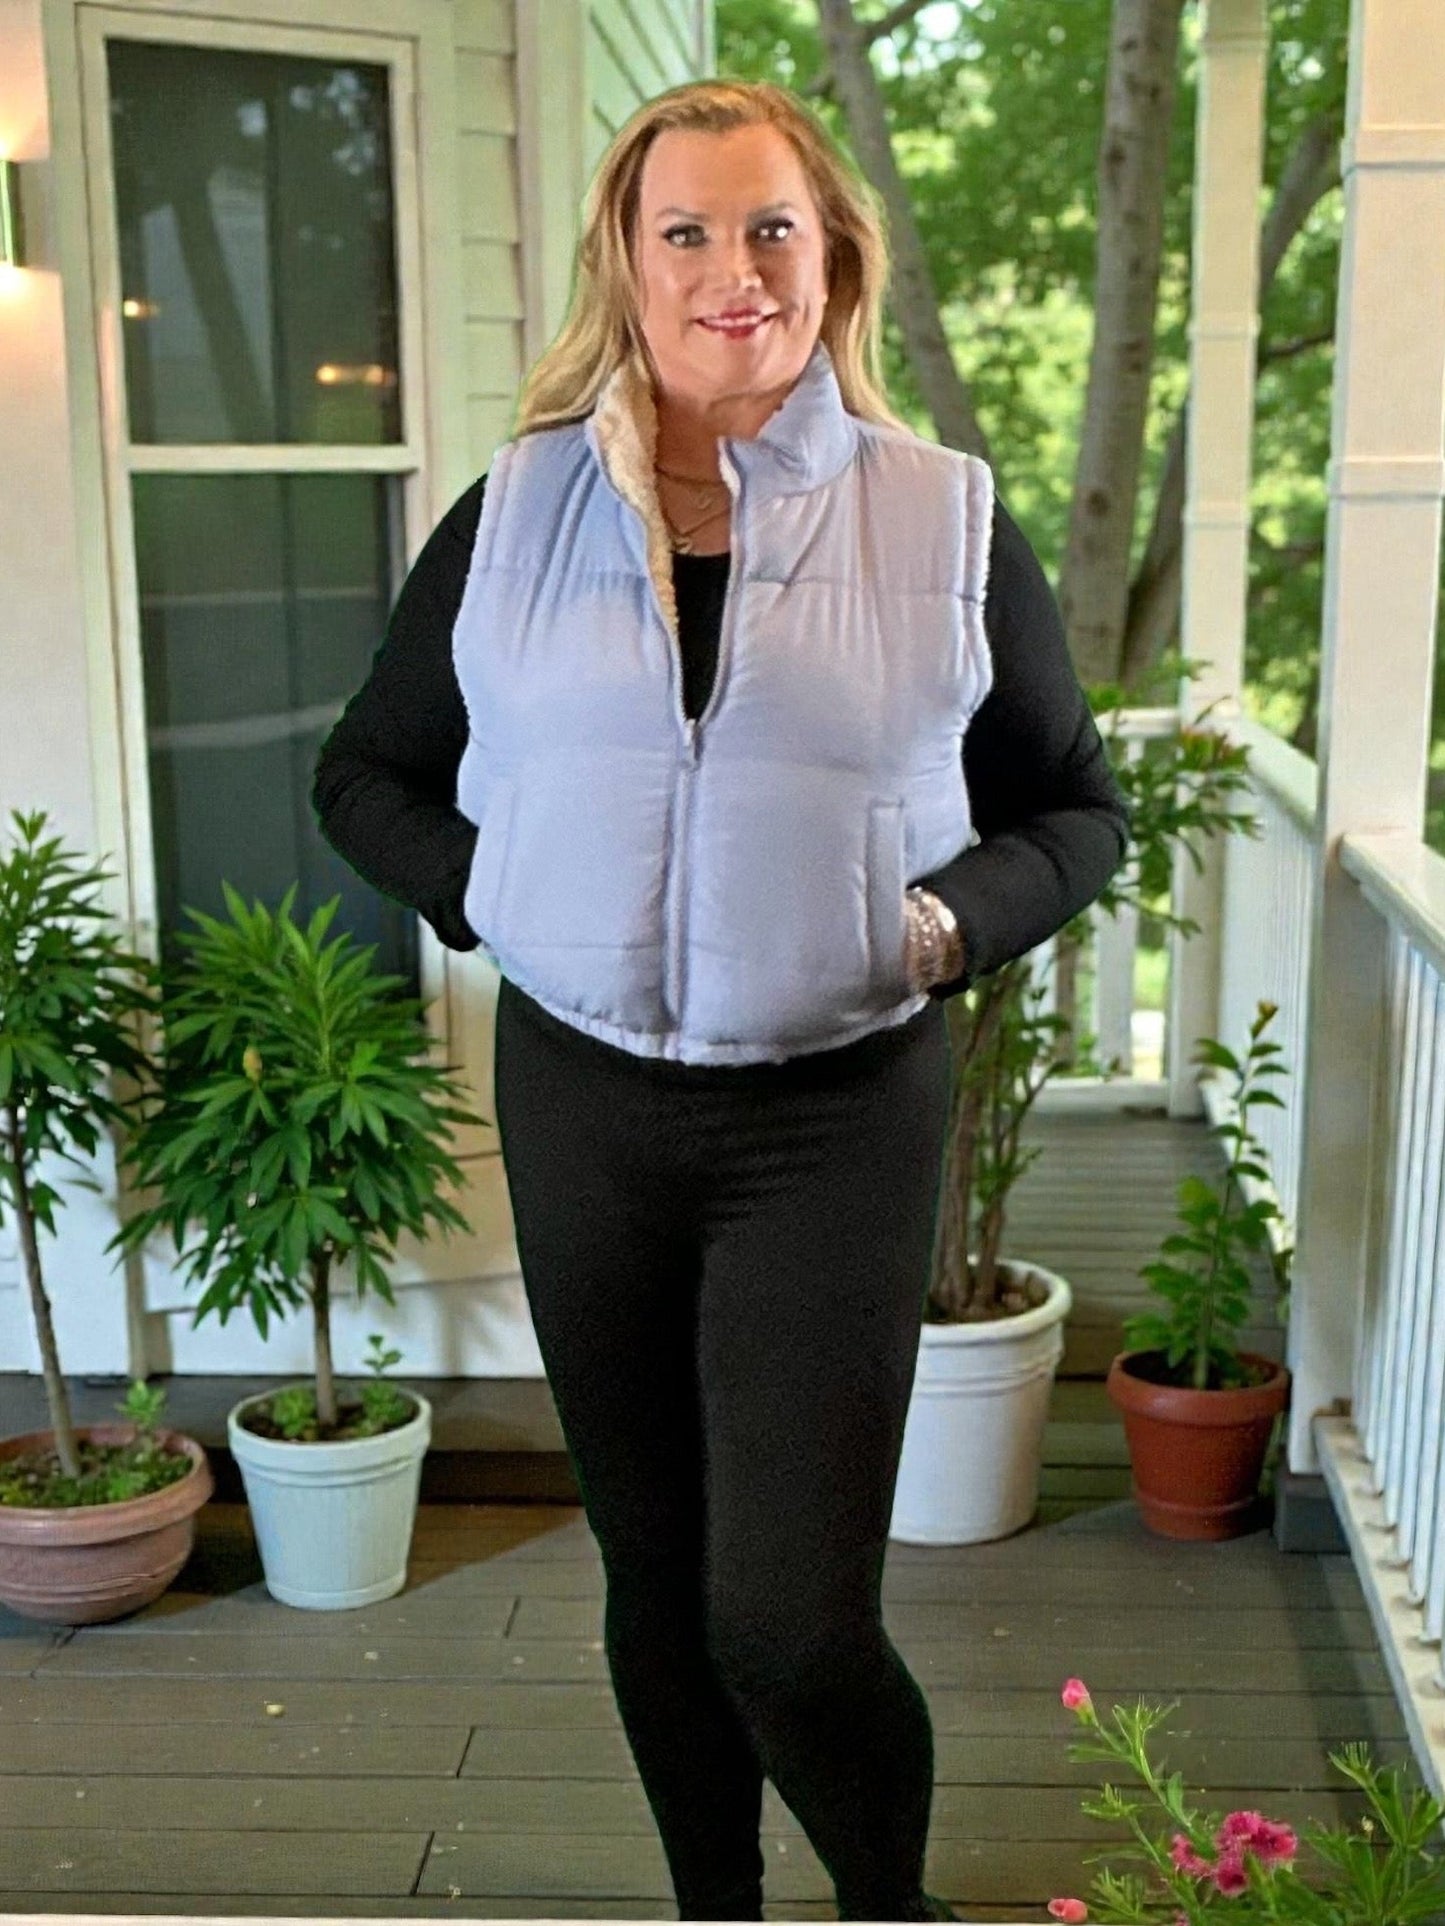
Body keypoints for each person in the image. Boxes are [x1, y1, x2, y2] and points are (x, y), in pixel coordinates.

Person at [313, 77, 1131, 1926]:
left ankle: (886, 1907)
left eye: (768, 226)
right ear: (626, 261)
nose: (728, 268)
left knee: (787, 1616)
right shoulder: (513, 512)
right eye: (682, 230)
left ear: (831, 255)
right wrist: (491, 890)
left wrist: (937, 927)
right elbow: (365, 773)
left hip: (833, 1112)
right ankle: (716, 1905)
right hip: (585, 1098)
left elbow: (1078, 812)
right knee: (657, 1578)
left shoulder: (941, 518)